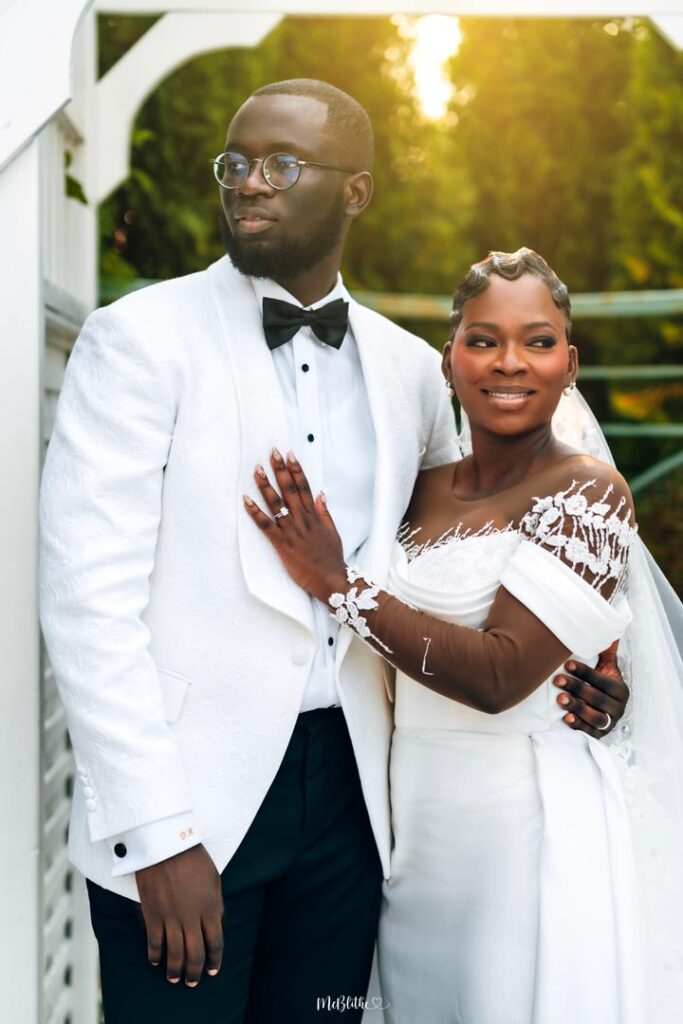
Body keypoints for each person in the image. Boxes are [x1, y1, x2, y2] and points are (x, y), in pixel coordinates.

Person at [38, 80, 628, 1024]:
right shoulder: (139, 339)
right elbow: (83, 602)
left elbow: (473, 557)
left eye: (281, 165)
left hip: (357, 809)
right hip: (192, 805)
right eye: (234, 165)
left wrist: (586, 676)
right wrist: (157, 834)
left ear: (354, 191)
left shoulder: (408, 370)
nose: (248, 186)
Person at [245, 248, 683, 1023]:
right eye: (482, 339)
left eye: (537, 341)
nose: (508, 362)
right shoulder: (414, 491)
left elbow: (499, 675)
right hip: (407, 823)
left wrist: (338, 585)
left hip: (523, 826)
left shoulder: (587, 492)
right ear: (448, 362)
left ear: (569, 362)